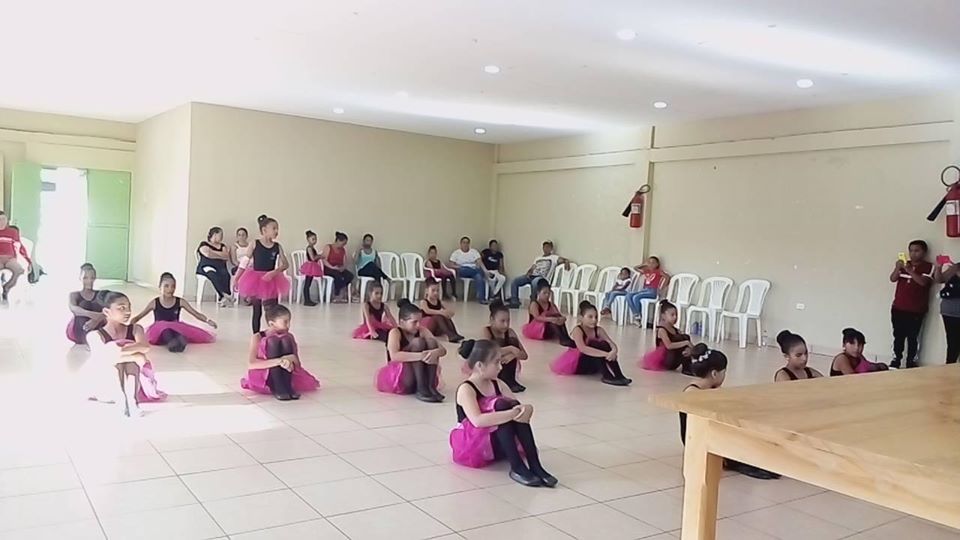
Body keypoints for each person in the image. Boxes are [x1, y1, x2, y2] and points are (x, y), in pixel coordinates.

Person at [451, 339, 556, 487]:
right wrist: (513, 414)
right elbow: (478, 421)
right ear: (480, 365)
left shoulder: (498, 383)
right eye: (496, 363)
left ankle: (535, 464)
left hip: (499, 442)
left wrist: (526, 409)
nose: (500, 367)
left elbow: (517, 407)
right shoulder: (466, 389)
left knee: (508, 405)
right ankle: (517, 467)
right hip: (475, 446)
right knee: (501, 405)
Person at [679, 348, 779, 480]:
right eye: (724, 372)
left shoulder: (710, 389)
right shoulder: (694, 393)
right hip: (698, 436)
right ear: (714, 374)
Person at [86, 291, 166, 417]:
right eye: (121, 308)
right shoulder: (95, 335)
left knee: (130, 363)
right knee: (119, 362)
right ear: (107, 311)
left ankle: (132, 401)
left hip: (131, 378)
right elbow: (103, 358)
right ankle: (121, 399)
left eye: (129, 307)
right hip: (107, 382)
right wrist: (136, 355)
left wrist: (121, 351)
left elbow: (145, 346)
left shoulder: (135, 329)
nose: (128, 312)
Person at [241, 304, 320, 400]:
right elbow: (251, 364)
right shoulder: (257, 337)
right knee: (272, 341)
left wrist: (291, 359)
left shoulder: (289, 336)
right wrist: (279, 361)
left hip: (286, 372)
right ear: (271, 324)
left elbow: (297, 365)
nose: (289, 325)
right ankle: (277, 386)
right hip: (265, 375)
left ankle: (287, 385)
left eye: (289, 321)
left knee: (285, 339)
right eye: (285, 322)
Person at [376, 299, 447, 402]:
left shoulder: (422, 330)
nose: (418, 325)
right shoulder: (395, 332)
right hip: (401, 377)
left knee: (431, 342)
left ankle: (430, 386)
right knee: (418, 342)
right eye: (414, 322)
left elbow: (443, 350)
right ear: (402, 322)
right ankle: (421, 388)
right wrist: (421, 356)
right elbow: (394, 356)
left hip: (419, 374)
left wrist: (435, 353)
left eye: (420, 321)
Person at [130, 273, 217, 353]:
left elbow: (195, 313)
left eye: (173, 286)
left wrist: (208, 320)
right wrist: (129, 329)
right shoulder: (155, 303)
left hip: (176, 327)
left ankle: (180, 341)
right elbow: (139, 316)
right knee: (166, 331)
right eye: (166, 286)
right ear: (160, 287)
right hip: (159, 331)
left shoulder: (180, 301)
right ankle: (172, 343)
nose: (170, 289)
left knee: (178, 332)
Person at [550, 301, 632, 385]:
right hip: (579, 364)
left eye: (596, 317)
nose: (594, 320)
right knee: (593, 344)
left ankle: (619, 375)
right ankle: (607, 376)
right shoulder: (578, 330)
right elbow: (583, 349)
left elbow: (611, 343)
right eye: (590, 317)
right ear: (581, 318)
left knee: (604, 344)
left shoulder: (599, 330)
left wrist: (613, 351)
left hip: (593, 363)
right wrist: (606, 354)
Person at [236, 215, 291, 334]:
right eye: (274, 228)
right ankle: (256, 335)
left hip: (271, 280)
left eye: (277, 228)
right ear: (264, 230)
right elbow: (244, 262)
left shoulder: (277, 246)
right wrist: (236, 278)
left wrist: (274, 272)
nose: (276, 231)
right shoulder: (254, 244)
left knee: (272, 309)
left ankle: (274, 333)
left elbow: (286, 264)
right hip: (255, 279)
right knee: (257, 310)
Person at [889, 241, 933, 368]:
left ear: (924, 252)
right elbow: (892, 279)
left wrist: (910, 271)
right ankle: (896, 359)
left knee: (913, 337)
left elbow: (923, 282)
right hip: (898, 307)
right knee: (898, 336)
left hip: (916, 310)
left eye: (917, 251)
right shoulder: (904, 264)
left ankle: (911, 361)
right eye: (911, 250)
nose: (913, 254)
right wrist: (897, 268)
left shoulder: (928, 267)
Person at [508, 241, 571, 308]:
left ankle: (533, 302)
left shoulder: (554, 257)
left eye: (548, 247)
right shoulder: (538, 258)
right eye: (544, 247)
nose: (546, 249)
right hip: (532, 276)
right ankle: (514, 302)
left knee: (534, 282)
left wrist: (566, 261)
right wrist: (528, 273)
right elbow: (532, 268)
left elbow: (564, 260)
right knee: (515, 281)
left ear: (551, 248)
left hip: (542, 278)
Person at [482, 300, 528, 393]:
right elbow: (488, 352)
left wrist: (513, 355)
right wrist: (510, 349)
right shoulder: (486, 331)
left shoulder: (510, 332)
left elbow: (524, 355)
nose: (506, 325)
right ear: (492, 320)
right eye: (502, 321)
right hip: (488, 365)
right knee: (498, 348)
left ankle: (509, 380)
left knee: (513, 342)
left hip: (507, 368)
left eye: (508, 321)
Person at [640, 300, 695, 375]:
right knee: (684, 341)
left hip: (673, 358)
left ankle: (689, 363)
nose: (675, 317)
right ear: (663, 316)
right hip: (667, 359)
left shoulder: (674, 329)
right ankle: (687, 367)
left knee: (685, 337)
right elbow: (669, 345)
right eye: (672, 315)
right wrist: (686, 343)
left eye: (676, 315)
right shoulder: (662, 330)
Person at [521, 281, 575, 347]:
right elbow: (537, 318)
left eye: (548, 293)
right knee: (552, 321)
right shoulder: (534, 304)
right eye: (544, 293)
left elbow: (558, 314)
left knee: (557, 317)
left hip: (546, 329)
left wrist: (562, 318)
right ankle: (562, 339)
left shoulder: (551, 304)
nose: (547, 295)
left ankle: (566, 337)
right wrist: (551, 319)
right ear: (538, 293)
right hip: (536, 330)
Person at [67, 263, 106, 345]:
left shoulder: (100, 294)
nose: (89, 281)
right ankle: (87, 339)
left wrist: (96, 320)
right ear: (80, 278)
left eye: (92, 278)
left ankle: (94, 339)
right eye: (85, 278)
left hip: (97, 330)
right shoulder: (74, 295)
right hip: (79, 329)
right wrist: (94, 316)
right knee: (85, 305)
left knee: (101, 305)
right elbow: (74, 308)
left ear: (95, 278)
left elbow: (110, 311)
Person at [196, 227, 235, 307]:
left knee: (226, 275)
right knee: (213, 275)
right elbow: (207, 254)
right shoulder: (204, 244)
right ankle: (224, 296)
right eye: (220, 235)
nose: (221, 237)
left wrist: (213, 253)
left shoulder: (222, 246)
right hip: (206, 267)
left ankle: (226, 296)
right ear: (214, 234)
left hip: (220, 267)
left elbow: (226, 256)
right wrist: (220, 255)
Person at [934, 255, 960, 364]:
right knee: (952, 343)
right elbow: (940, 279)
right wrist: (938, 267)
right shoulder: (956, 267)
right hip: (949, 311)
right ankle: (949, 367)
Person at [0, 211, 31, 302]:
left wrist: (28, 260)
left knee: (19, 270)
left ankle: (6, 288)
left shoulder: (13, 232)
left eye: (4, 219)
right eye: (0, 220)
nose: (2, 221)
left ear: (7, 220)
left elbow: (20, 247)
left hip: (10, 259)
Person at [626, 256, 668, 323]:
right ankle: (636, 315)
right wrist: (644, 264)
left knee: (636, 297)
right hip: (645, 290)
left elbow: (667, 277)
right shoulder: (646, 271)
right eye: (649, 262)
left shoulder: (658, 271)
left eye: (653, 263)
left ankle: (638, 318)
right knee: (628, 295)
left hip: (652, 291)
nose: (651, 264)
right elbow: (635, 268)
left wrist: (661, 287)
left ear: (657, 264)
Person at [448, 237, 486, 303]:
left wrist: (485, 270)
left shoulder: (474, 252)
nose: (465, 244)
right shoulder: (456, 253)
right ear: (461, 244)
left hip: (473, 270)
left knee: (479, 277)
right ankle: (478, 271)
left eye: (467, 243)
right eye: (464, 243)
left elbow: (480, 262)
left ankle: (481, 299)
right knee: (477, 272)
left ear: (469, 244)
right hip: (462, 270)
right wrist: (458, 266)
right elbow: (451, 265)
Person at [321, 231, 353, 303]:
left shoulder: (343, 250)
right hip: (329, 268)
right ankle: (337, 294)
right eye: (343, 243)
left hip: (338, 268)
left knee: (350, 275)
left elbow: (345, 262)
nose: (344, 245)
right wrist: (332, 267)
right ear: (338, 241)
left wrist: (342, 268)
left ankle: (340, 291)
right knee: (338, 276)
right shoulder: (328, 247)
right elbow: (324, 260)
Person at [299, 230, 324, 306]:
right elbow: (313, 258)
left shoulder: (312, 248)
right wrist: (320, 256)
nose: (315, 241)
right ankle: (306, 300)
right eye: (313, 239)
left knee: (308, 283)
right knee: (307, 284)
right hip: (310, 266)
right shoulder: (309, 248)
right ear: (308, 240)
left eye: (315, 239)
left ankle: (308, 300)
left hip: (313, 266)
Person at [230, 227, 251, 300]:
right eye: (239, 235)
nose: (241, 237)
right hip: (239, 266)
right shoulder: (234, 246)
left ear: (246, 236)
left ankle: (252, 295)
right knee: (244, 274)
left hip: (250, 265)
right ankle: (245, 295)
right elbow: (234, 260)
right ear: (237, 236)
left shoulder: (250, 246)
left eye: (243, 235)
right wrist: (242, 266)